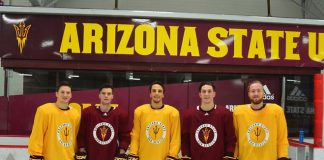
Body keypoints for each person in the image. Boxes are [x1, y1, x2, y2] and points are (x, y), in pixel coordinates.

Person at [233, 80, 290, 160]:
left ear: (263, 93)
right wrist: (234, 156)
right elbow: (235, 137)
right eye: (253, 91)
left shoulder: (276, 111)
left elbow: (282, 137)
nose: (256, 94)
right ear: (248, 94)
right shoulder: (239, 112)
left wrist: (283, 156)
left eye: (259, 91)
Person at [181, 82, 236, 160]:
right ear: (200, 94)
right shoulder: (189, 115)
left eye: (209, 91)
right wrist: (186, 156)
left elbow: (231, 138)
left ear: (214, 94)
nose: (206, 94)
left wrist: (229, 155)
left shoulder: (225, 113)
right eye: (204, 91)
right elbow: (185, 140)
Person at [28, 81, 80, 160]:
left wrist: (77, 152)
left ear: (71, 95)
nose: (65, 95)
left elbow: (75, 136)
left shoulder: (75, 114)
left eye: (68, 92)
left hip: (69, 157)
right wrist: (35, 155)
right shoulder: (44, 110)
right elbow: (37, 134)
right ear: (56, 94)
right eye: (62, 92)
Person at [76, 84, 130, 160]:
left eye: (109, 94)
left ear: (112, 96)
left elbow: (125, 136)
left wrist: (121, 152)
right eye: (103, 93)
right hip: (91, 156)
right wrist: (81, 149)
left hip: (112, 156)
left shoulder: (120, 114)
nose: (106, 96)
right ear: (99, 95)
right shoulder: (88, 113)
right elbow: (81, 134)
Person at [129, 81, 181, 160]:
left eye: (159, 91)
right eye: (154, 91)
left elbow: (175, 138)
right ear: (150, 94)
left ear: (163, 94)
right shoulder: (139, 111)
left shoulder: (173, 113)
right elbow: (135, 135)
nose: (156, 93)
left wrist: (172, 155)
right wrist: (133, 153)